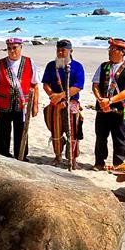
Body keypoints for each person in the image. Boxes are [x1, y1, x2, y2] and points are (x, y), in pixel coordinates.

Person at [91, 38, 125, 170]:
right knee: (100, 136)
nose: (110, 52)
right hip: (102, 108)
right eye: (110, 49)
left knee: (119, 137)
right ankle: (99, 162)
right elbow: (95, 85)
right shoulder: (103, 66)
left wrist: (110, 101)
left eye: (113, 49)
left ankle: (118, 164)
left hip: (118, 110)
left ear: (122, 52)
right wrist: (101, 100)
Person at [0, 37, 39, 161]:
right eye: (9, 48)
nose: (12, 51)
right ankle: (3, 155)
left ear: (21, 47)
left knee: (22, 131)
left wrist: (35, 105)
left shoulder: (29, 62)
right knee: (3, 132)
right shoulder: (0, 63)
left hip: (22, 106)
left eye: (15, 48)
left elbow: (35, 85)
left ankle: (21, 156)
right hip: (3, 104)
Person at [42, 39, 85, 169]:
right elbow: (46, 84)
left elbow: (77, 87)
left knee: (73, 131)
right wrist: (52, 97)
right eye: (58, 50)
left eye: (63, 50)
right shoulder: (51, 65)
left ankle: (73, 158)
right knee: (56, 130)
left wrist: (61, 96)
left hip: (71, 102)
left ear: (70, 51)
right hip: (55, 102)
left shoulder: (77, 66)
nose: (60, 53)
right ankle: (57, 156)